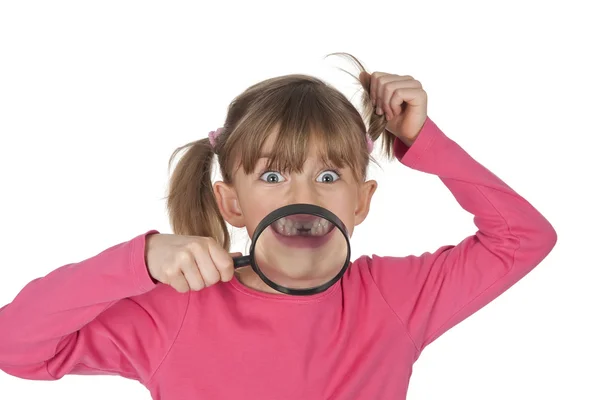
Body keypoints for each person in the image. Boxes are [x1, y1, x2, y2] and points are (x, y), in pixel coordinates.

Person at [0, 54, 557, 399]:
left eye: (329, 174)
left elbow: (524, 238)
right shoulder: (176, 306)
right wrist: (138, 260)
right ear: (231, 204)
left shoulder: (394, 298)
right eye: (271, 174)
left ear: (361, 203)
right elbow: (15, 347)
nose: (301, 195)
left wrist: (423, 140)